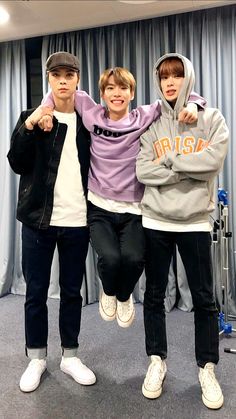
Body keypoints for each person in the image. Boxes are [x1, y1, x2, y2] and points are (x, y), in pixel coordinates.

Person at [42, 64, 206, 329]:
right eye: (110, 88)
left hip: (133, 208)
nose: (116, 93)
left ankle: (123, 295)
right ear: (103, 94)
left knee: (133, 259)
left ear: (131, 93)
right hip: (99, 206)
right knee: (109, 259)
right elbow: (57, 93)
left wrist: (195, 106)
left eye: (123, 88)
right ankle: (109, 291)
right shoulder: (91, 113)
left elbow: (179, 98)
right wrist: (45, 111)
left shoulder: (143, 116)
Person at [136, 53, 229, 409]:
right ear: (158, 82)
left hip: (194, 220)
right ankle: (156, 360)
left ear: (187, 77)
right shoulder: (152, 122)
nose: (170, 82)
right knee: (155, 294)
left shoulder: (210, 118)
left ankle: (206, 367)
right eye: (164, 77)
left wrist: (172, 161)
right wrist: (187, 170)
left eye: (176, 75)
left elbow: (213, 162)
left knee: (204, 297)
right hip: (155, 220)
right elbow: (143, 171)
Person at [7, 52, 96, 392]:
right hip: (37, 221)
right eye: (56, 74)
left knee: (72, 292)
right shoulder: (33, 118)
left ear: (77, 80)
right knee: (36, 292)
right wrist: (29, 126)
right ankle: (37, 357)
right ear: (49, 79)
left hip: (77, 220)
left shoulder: (89, 122)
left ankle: (70, 355)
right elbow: (16, 161)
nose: (62, 80)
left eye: (69, 74)